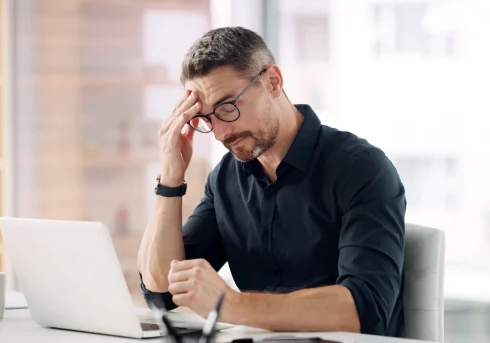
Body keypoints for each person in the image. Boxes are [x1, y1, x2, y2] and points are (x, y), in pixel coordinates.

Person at [137, 26, 406, 337]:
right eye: (207, 119)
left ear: (273, 82)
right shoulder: (225, 179)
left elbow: (366, 308)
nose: (222, 134)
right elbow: (161, 291)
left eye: (227, 107)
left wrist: (232, 305)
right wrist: (170, 179)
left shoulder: (361, 168)